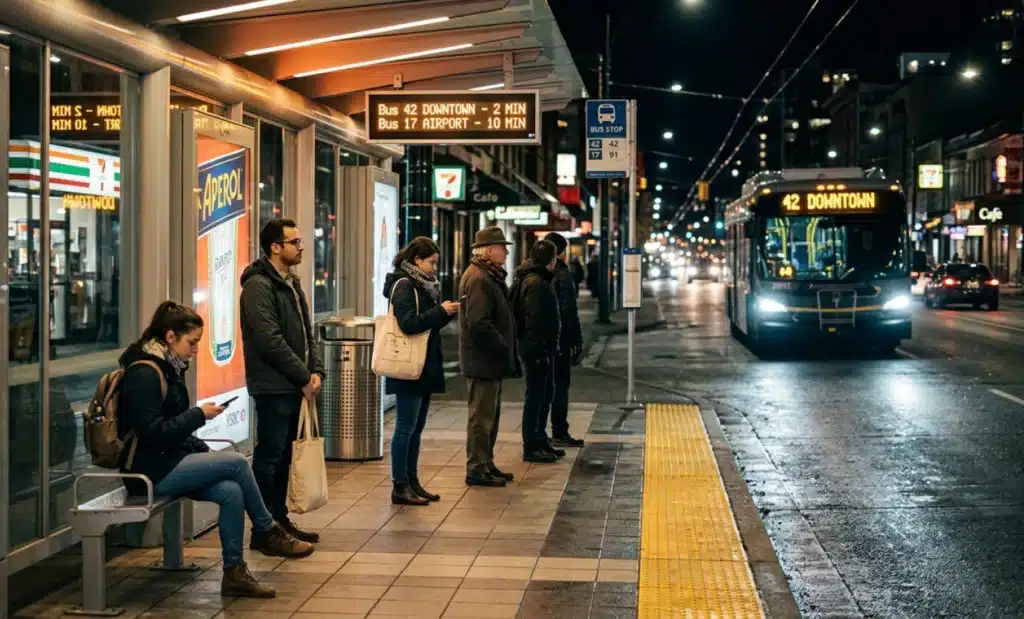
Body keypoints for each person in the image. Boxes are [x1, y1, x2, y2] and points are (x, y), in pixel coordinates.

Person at [118, 301, 313, 599]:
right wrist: (199, 415)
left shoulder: (169, 367)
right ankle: (266, 529)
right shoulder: (144, 374)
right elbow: (154, 433)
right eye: (192, 342)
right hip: (147, 470)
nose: (195, 350)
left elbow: (173, 429)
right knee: (237, 462)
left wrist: (201, 447)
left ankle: (234, 572)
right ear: (170, 337)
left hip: (168, 460)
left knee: (231, 492)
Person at [240, 219, 324, 544]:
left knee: (286, 456)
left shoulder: (291, 282)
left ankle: (279, 520)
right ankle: (264, 529)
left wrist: (316, 371)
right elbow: (269, 340)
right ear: (276, 247)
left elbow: (307, 331)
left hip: (293, 385)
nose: (301, 246)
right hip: (273, 387)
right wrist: (304, 377)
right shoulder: (259, 286)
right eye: (295, 242)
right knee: (270, 457)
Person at [382, 237, 460, 505]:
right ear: (416, 260)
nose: (434, 268)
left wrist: (445, 313)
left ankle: (412, 482)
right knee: (405, 426)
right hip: (407, 366)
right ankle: (399, 486)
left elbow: (426, 324)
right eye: (431, 262)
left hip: (423, 364)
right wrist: (441, 311)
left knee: (416, 428)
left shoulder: (422, 285)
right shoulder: (404, 285)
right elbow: (409, 324)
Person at [459, 226, 520, 487]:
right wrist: (502, 344)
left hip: (489, 360)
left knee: (489, 417)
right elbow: (478, 322)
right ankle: (476, 468)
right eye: (501, 247)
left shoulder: (487, 275)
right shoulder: (479, 279)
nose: (506, 252)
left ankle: (486, 462)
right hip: (482, 360)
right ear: (489, 251)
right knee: (481, 419)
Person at [510, 239, 563, 463]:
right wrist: (541, 348)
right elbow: (534, 320)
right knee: (536, 397)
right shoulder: (536, 283)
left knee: (544, 394)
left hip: (539, 347)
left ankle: (540, 440)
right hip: (536, 349)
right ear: (552, 260)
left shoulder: (534, 279)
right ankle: (531, 445)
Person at [544, 232, 585, 448]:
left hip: (540, 340)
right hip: (560, 340)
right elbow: (569, 311)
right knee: (560, 386)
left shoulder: (533, 272)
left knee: (541, 389)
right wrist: (576, 339)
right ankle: (559, 430)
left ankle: (538, 435)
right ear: (559, 253)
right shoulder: (562, 275)